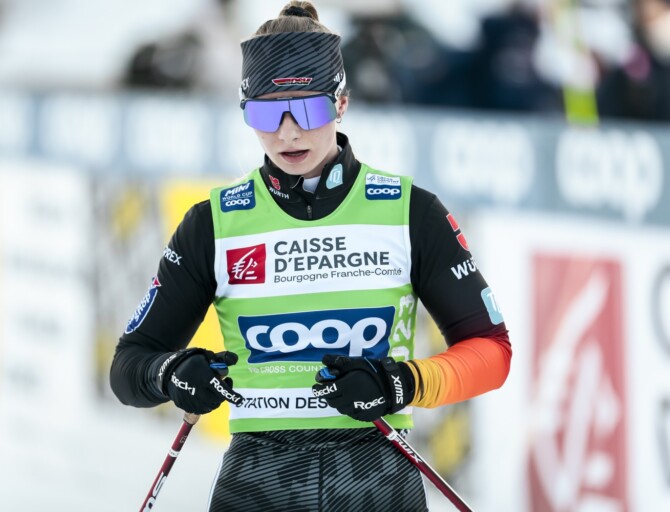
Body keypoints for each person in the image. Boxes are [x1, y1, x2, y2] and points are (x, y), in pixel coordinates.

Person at [110, 2, 512, 510]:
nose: (287, 132)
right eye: (265, 112)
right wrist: (172, 374)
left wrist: (401, 382)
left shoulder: (409, 212)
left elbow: (492, 353)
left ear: (341, 103)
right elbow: (129, 367)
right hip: (259, 477)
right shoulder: (215, 223)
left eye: (307, 109)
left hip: (375, 471)